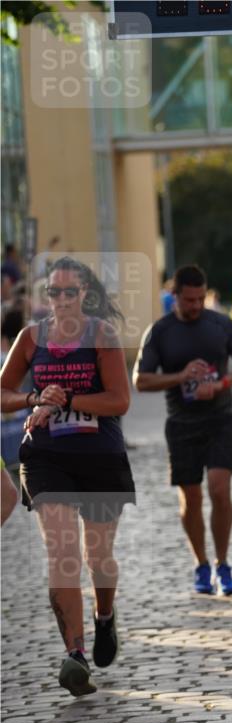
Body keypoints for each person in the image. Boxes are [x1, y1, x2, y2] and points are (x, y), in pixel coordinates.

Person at [0, 256, 135, 696]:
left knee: (98, 557)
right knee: (62, 553)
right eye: (52, 292)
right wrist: (33, 398)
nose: (60, 300)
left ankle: (105, 616)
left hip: (99, 457)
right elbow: (3, 393)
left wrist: (67, 398)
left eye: (69, 292)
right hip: (45, 457)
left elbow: (118, 400)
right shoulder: (30, 337)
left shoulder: (102, 335)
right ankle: (74, 655)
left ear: (85, 295)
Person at [134, 264, 232, 595]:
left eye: (201, 298)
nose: (195, 305)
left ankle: (223, 564)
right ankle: (201, 564)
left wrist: (221, 384)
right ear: (174, 296)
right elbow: (140, 380)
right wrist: (180, 377)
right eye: (189, 300)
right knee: (191, 497)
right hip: (181, 423)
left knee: (220, 489)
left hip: (220, 419)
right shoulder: (160, 331)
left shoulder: (220, 324)